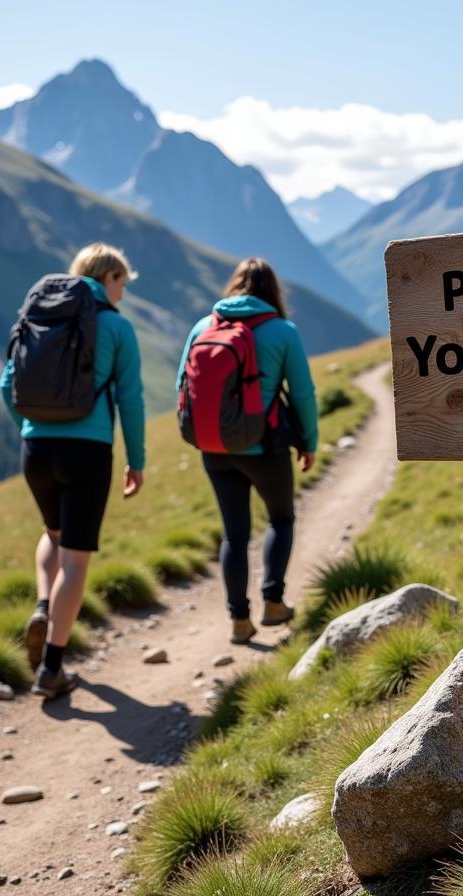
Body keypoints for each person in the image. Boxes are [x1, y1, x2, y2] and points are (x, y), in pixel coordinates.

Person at [0, 243, 145, 698]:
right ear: (107, 279)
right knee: (77, 558)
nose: (123, 292)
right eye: (122, 282)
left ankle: (44, 605)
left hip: (36, 448)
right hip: (88, 451)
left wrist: (30, 427)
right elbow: (131, 400)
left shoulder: (40, 317)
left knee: (53, 532)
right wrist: (135, 460)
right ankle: (52, 669)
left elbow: (7, 384)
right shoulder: (117, 327)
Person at [178, 258, 319, 645]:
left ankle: (239, 621)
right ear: (272, 290)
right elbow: (303, 393)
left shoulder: (202, 327)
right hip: (265, 446)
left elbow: (182, 387)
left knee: (234, 534)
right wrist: (308, 442)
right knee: (280, 520)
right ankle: (273, 603)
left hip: (214, 448)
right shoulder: (282, 331)